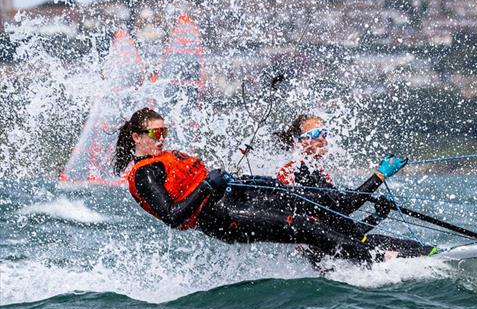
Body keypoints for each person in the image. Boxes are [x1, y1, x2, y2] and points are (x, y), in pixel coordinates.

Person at [114, 107, 434, 263]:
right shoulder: (144, 173)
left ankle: (419, 254)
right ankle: (375, 262)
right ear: (137, 137)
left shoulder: (168, 158)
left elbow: (339, 209)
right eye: (155, 134)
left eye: (163, 133)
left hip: (235, 198)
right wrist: (208, 187)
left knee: (302, 205)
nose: (161, 140)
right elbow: (173, 215)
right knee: (301, 225)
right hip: (220, 217)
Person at [274, 114, 434, 259]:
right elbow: (344, 205)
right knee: (418, 254)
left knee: (415, 247)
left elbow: (339, 224)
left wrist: (376, 217)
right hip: (332, 256)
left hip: (342, 248)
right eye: (315, 134)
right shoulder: (299, 171)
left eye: (324, 133)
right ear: (299, 142)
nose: (322, 139)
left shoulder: (315, 171)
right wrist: (379, 176)